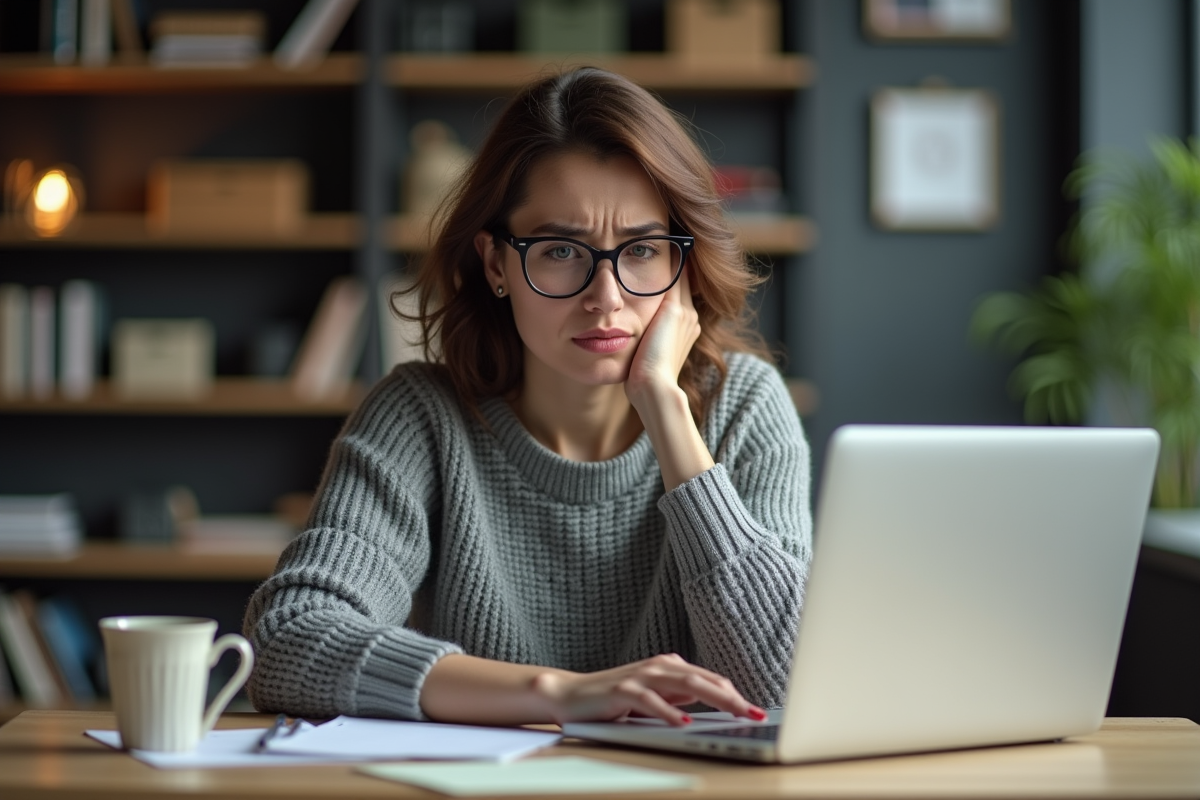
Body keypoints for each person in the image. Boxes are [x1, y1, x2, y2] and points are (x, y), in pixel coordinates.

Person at [243, 66, 812, 728]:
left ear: (683, 264)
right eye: (561, 250)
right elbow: (286, 638)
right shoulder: (422, 417)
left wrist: (665, 409)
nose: (607, 297)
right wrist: (559, 693)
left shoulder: (745, 406)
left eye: (644, 250)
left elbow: (781, 681)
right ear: (496, 264)